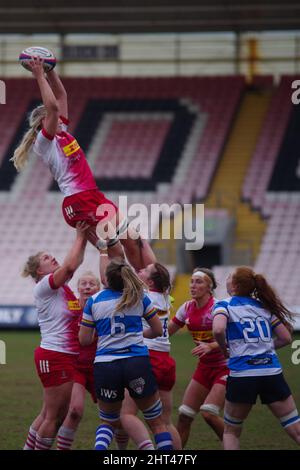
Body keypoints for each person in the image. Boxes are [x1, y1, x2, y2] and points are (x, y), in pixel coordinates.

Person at [10, 56, 156, 271]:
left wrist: (51, 70)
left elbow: (61, 96)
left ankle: (152, 286)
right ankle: (126, 293)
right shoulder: (45, 142)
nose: (61, 118)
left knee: (134, 241)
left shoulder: (63, 133)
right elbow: (52, 106)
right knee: (115, 254)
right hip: (79, 201)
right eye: (56, 117)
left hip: (93, 195)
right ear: (44, 122)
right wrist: (39, 75)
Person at [79, 258, 174, 450]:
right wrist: (137, 333)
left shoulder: (94, 301)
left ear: (106, 279)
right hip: (136, 362)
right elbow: (157, 330)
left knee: (107, 422)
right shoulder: (139, 296)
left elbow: (84, 340)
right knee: (157, 423)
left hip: (106, 365)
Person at [212, 266, 300, 450]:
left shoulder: (224, 305)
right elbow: (285, 337)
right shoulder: (263, 306)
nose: (226, 280)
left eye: (229, 277)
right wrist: (266, 347)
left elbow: (218, 329)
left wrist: (224, 349)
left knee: (231, 431)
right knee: (294, 427)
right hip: (271, 373)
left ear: (235, 285)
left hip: (243, 374)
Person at [23, 222, 88, 451]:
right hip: (55, 355)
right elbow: (70, 265)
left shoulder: (63, 288)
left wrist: (86, 237)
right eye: (47, 258)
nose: (53, 258)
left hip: (64, 355)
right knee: (54, 417)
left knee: (50, 414)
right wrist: (81, 234)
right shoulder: (44, 286)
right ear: (39, 271)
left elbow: (73, 265)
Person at [120, 262, 182, 450]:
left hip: (148, 358)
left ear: (150, 281)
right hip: (166, 360)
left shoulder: (143, 296)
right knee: (166, 421)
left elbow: (116, 275)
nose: (140, 270)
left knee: (126, 414)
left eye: (145, 270)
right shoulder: (164, 297)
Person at [168, 268, 228, 448]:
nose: (193, 285)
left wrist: (211, 345)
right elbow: (165, 333)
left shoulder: (219, 308)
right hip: (204, 368)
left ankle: (232, 445)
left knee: (209, 413)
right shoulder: (186, 308)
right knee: (184, 416)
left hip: (226, 367)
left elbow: (235, 338)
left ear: (210, 287)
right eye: (192, 281)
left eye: (199, 282)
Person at [56, 271, 100, 450]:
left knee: (116, 416)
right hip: (76, 368)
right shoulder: (70, 308)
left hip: (100, 367)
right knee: (74, 411)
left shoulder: (102, 308)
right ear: (78, 288)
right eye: (84, 283)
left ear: (99, 288)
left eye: (92, 284)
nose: (88, 287)